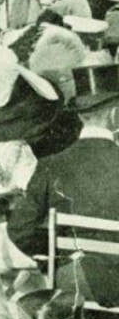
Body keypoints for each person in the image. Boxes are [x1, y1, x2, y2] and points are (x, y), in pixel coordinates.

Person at [7, 62, 119, 306]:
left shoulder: (49, 164)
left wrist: (56, 257)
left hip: (74, 278)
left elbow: (19, 230)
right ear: (115, 114)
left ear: (79, 116)